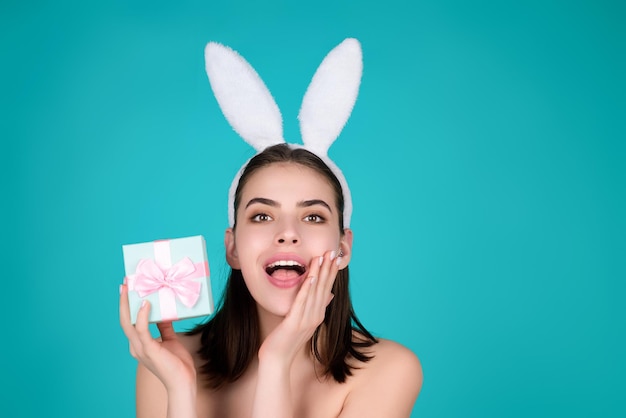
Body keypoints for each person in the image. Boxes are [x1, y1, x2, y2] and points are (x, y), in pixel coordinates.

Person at [119, 39, 423, 418]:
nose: (287, 233)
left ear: (343, 248)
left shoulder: (390, 370)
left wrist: (276, 361)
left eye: (313, 217)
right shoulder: (166, 363)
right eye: (262, 216)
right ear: (232, 248)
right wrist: (180, 389)